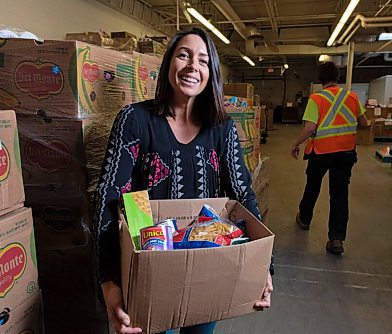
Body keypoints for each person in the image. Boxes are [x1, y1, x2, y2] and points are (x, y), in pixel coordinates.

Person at [94, 27, 273, 334]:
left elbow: (243, 194)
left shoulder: (222, 129)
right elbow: (109, 197)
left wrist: (264, 268)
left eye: (203, 60)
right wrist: (109, 281)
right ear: (169, 65)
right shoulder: (135, 121)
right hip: (149, 268)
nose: (193, 66)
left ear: (211, 73)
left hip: (207, 264)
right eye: (184, 55)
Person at [290, 62, 367, 255]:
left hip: (321, 153)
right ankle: (336, 239)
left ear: (321, 79)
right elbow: (364, 123)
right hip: (345, 153)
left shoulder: (316, 99)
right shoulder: (352, 97)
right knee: (339, 195)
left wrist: (295, 143)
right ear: (338, 78)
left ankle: (304, 219)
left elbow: (310, 128)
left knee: (312, 187)